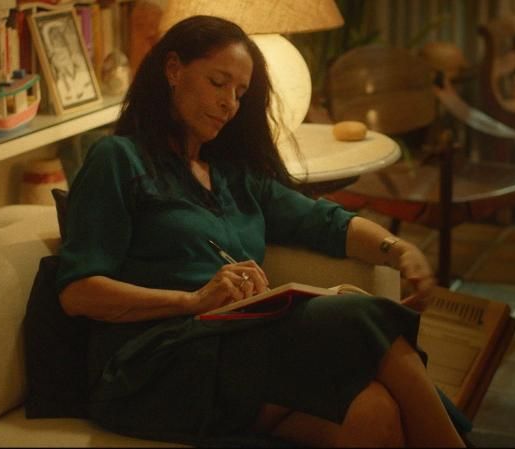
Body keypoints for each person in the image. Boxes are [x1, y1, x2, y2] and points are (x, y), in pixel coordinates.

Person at [55, 15, 467, 447]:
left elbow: (322, 221)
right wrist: (193, 300)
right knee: (359, 315)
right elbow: (78, 293)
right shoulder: (118, 159)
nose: (229, 104)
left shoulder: (234, 175)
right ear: (173, 69)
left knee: (374, 412)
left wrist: (397, 249)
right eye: (218, 83)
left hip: (232, 348)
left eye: (240, 93)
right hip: (153, 363)